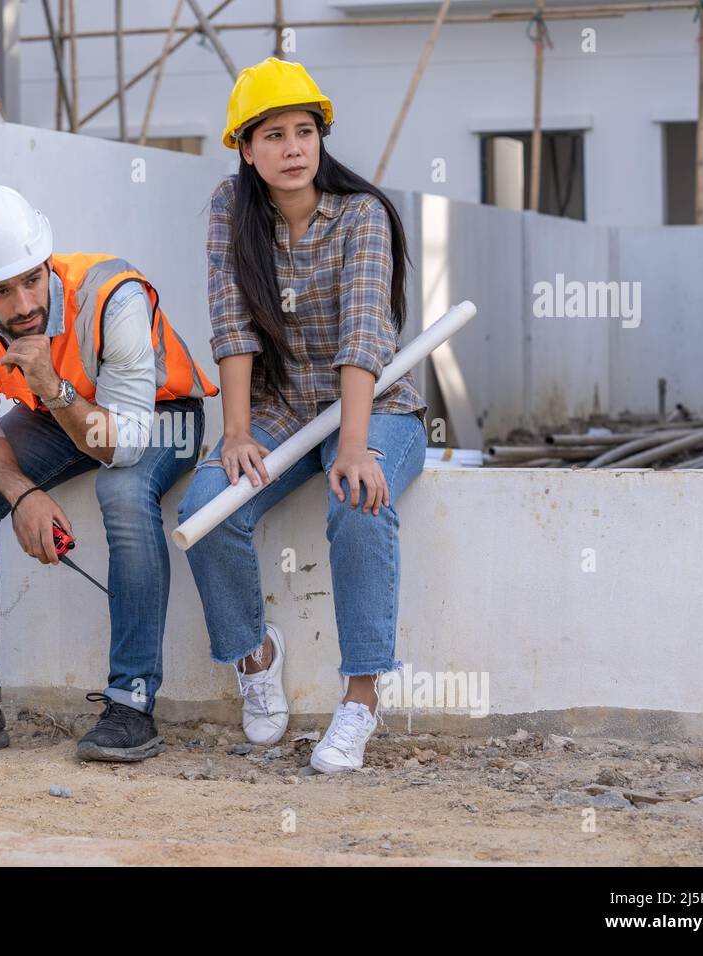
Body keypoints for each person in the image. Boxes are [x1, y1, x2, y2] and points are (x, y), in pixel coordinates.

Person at [177, 58, 429, 774]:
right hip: (279, 405)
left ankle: (359, 698)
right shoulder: (231, 208)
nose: (293, 148)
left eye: (305, 132)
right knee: (211, 510)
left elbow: (364, 335)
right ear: (245, 148)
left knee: (359, 497)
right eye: (274, 135)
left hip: (375, 403)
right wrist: (234, 432)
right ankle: (256, 655)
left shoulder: (362, 215)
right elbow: (231, 324)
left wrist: (354, 446)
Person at [0, 184, 218, 763]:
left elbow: (124, 445)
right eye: (1, 290)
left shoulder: (114, 294)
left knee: (124, 491)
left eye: (32, 278)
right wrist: (22, 492)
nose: (24, 301)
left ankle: (132, 707)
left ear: (46, 258)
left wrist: (54, 388)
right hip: (55, 411)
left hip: (155, 414)